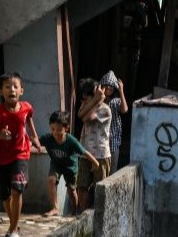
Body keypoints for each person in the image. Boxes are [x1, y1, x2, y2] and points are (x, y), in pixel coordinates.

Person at [0, 73, 42, 237]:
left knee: (17, 190)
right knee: (5, 195)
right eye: (7, 87)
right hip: (1, 157)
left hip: (21, 153)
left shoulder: (26, 107)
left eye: (15, 86)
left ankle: (13, 230)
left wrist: (35, 137)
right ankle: (14, 226)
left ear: (21, 90)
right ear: (1, 91)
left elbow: (29, 119)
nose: (12, 89)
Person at [40, 111, 99, 216]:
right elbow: (36, 141)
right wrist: (28, 143)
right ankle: (54, 208)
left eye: (59, 130)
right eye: (53, 129)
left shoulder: (71, 141)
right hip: (56, 164)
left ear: (66, 128)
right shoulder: (48, 138)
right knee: (51, 180)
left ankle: (74, 211)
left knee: (71, 191)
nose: (55, 133)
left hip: (70, 167)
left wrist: (95, 162)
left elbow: (84, 152)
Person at [76, 79, 112, 211]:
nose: (84, 100)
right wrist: (94, 100)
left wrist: (97, 101)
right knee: (82, 185)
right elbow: (80, 114)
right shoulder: (85, 105)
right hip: (85, 153)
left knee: (99, 189)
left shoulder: (105, 109)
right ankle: (83, 216)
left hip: (100, 155)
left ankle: (98, 217)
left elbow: (87, 117)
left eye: (87, 97)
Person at [99, 70, 128, 171]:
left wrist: (121, 91)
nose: (108, 88)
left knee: (112, 170)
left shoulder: (115, 101)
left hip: (113, 142)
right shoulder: (97, 101)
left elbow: (124, 110)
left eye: (111, 86)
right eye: (106, 85)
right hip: (100, 142)